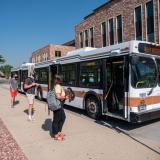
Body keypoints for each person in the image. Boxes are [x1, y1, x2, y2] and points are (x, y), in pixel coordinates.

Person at [52, 75, 68, 141]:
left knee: (62, 117)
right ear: (59, 80)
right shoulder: (58, 86)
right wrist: (65, 97)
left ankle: (59, 132)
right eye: (61, 79)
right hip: (58, 105)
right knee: (57, 120)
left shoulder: (57, 86)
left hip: (58, 104)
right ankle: (56, 135)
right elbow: (58, 97)